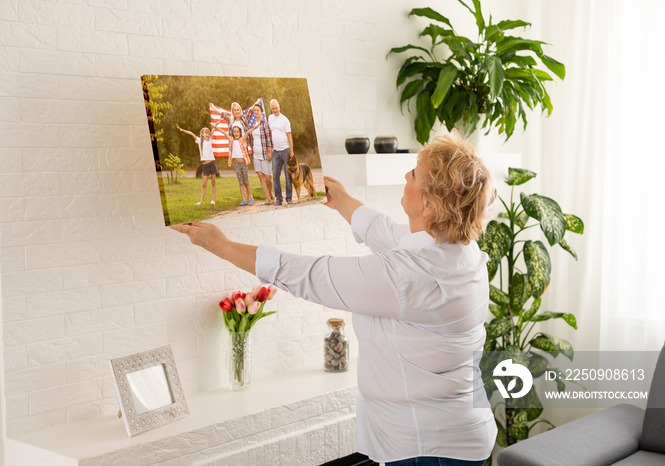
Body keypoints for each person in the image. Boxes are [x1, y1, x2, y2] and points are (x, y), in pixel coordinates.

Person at [170, 134, 497, 465]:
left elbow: (312, 275)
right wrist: (341, 200)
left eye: (413, 174)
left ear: (430, 204)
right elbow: (385, 232)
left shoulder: (410, 276)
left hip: (431, 449)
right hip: (452, 435)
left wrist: (221, 245)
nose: (405, 177)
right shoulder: (456, 248)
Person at [212, 123, 257, 206]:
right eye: (234, 132)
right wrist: (216, 127)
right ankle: (244, 199)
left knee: (246, 181)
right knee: (240, 182)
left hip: (243, 163)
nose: (236, 133)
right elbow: (224, 133)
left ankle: (250, 198)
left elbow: (247, 133)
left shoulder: (242, 140)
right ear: (232, 133)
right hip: (237, 164)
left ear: (240, 133)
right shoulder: (231, 140)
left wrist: (254, 127)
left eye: (237, 132)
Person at [176, 124, 217, 205]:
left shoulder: (210, 140)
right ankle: (201, 201)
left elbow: (213, 130)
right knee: (204, 184)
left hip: (212, 163)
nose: (207, 134)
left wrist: (216, 125)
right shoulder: (199, 141)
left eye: (208, 133)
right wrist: (182, 130)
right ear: (202, 134)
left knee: (213, 182)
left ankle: (213, 200)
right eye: (205, 133)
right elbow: (191, 133)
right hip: (205, 165)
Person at [247, 102, 274, 204]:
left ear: (262, 112)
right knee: (260, 176)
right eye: (255, 110)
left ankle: (270, 193)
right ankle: (268, 198)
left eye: (258, 110)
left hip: (264, 154)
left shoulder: (265, 124)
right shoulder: (253, 125)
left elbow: (269, 139)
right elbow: (250, 138)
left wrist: (269, 152)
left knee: (268, 178)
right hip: (256, 154)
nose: (256, 112)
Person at [268, 99, 294, 206]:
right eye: (273, 108)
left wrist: (291, 151)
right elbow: (270, 134)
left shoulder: (284, 120)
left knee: (288, 176)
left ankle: (289, 198)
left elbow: (289, 136)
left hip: (285, 151)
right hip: (275, 151)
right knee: (275, 175)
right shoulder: (270, 118)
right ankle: (278, 199)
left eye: (276, 108)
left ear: (279, 107)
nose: (275, 110)